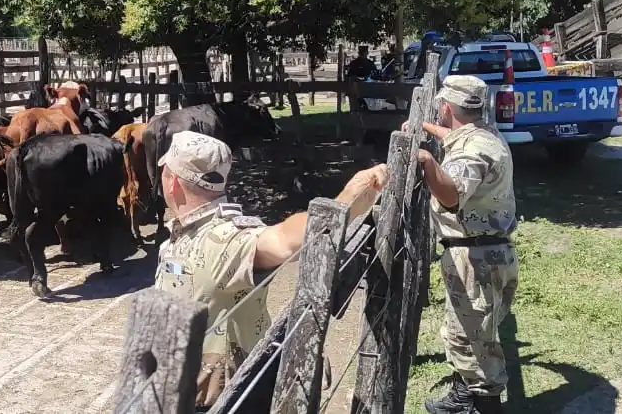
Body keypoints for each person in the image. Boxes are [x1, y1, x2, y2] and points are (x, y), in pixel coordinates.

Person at [151, 131, 388, 411]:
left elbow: (282, 239)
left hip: (220, 403)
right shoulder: (183, 235)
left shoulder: (225, 238)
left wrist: (345, 202)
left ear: (172, 182)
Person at [411, 75, 518, 414]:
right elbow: (455, 138)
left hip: (476, 258)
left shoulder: (472, 151)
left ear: (446, 107)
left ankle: (485, 407)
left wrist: (426, 161)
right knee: (468, 332)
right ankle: (463, 396)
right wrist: (425, 128)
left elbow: (452, 195)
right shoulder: (485, 135)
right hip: (487, 250)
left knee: (473, 342)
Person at [346, 45, 378, 111]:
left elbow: (349, 76)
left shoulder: (353, 63)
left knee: (355, 108)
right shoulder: (369, 63)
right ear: (366, 52)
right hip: (366, 89)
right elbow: (375, 76)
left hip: (357, 89)